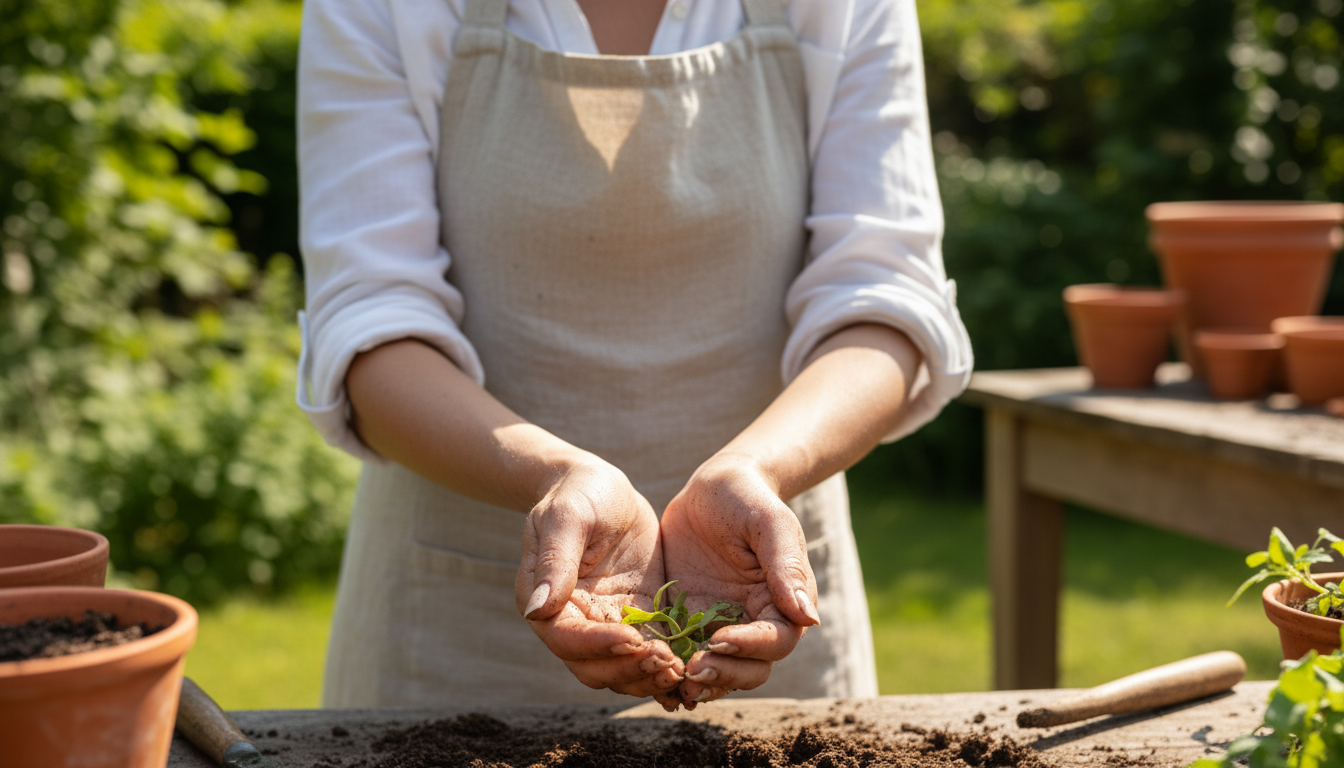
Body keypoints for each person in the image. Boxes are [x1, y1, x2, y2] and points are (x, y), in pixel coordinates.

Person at [296, 0, 973, 711]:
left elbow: (884, 299)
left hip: (764, 590)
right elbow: (371, 322)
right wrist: (556, 475)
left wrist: (757, 470)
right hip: (452, 633)